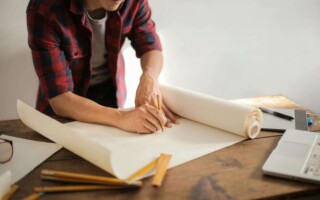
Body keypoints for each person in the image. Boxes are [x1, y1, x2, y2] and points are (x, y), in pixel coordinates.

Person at [26, 0, 179, 134]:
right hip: (64, 109)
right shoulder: (44, 9)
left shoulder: (134, 2)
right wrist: (123, 117)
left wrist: (149, 78)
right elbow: (60, 99)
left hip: (109, 93)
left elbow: (150, 46)